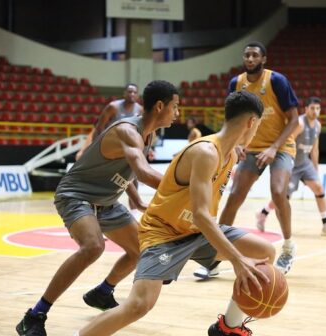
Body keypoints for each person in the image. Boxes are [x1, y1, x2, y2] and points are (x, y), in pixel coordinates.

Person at [75, 90, 276, 336]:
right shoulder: (206, 152)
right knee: (138, 305)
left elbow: (202, 218)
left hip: (195, 232)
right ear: (251, 123)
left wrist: (237, 256)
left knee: (265, 253)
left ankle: (227, 328)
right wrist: (236, 259)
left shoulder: (232, 153)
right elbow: (201, 215)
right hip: (164, 233)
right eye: (258, 127)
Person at [16, 80, 180, 336]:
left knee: (140, 250)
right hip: (76, 194)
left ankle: (103, 292)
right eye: (175, 106)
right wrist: (186, 188)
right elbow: (144, 171)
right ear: (160, 106)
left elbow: (123, 169)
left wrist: (134, 197)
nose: (177, 113)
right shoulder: (128, 131)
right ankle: (34, 315)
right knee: (94, 246)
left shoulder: (149, 134)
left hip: (106, 201)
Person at [194, 41, 299, 279]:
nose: (250, 59)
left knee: (278, 191)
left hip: (280, 146)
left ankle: (288, 247)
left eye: (254, 55)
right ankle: (215, 256)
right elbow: (232, 120)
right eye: (247, 55)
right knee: (234, 197)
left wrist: (273, 148)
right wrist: (236, 144)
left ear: (263, 60)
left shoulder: (277, 82)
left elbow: (294, 120)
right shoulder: (236, 84)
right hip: (250, 148)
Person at [255, 97, 326, 237]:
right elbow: (288, 140)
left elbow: (315, 148)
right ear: (306, 109)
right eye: (312, 108)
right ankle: (263, 213)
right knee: (285, 197)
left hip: (305, 163)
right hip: (293, 164)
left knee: (319, 189)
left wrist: (315, 168)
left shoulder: (318, 125)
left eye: (318, 109)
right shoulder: (300, 123)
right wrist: (285, 163)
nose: (315, 111)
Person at [76, 83, 145, 216]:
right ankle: (95, 214)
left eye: (134, 92)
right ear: (124, 93)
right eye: (129, 92)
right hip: (110, 150)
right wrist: (94, 148)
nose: (131, 94)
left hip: (127, 151)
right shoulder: (113, 107)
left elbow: (141, 132)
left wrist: (147, 148)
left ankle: (135, 216)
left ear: (137, 95)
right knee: (107, 184)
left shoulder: (140, 110)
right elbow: (99, 127)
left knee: (132, 181)